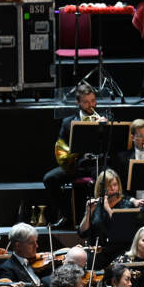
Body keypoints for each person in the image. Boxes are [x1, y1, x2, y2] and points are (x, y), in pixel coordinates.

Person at [42, 83, 108, 228]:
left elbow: (110, 146)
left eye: (93, 101)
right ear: (78, 102)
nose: (91, 105)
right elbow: (61, 146)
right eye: (86, 102)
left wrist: (105, 128)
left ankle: (98, 219)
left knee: (104, 180)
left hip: (95, 164)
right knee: (49, 179)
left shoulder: (104, 119)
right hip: (76, 164)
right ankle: (67, 215)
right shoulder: (67, 123)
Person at [78, 169, 144, 257]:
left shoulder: (127, 205)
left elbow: (121, 230)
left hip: (120, 252)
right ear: (100, 188)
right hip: (97, 252)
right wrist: (88, 213)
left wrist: (107, 208)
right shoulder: (95, 205)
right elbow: (82, 233)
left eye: (115, 185)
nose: (112, 189)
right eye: (108, 186)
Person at [0, 223, 42, 287]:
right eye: (32, 243)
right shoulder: (6, 268)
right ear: (18, 246)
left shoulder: (40, 263)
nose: (36, 246)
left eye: (36, 242)